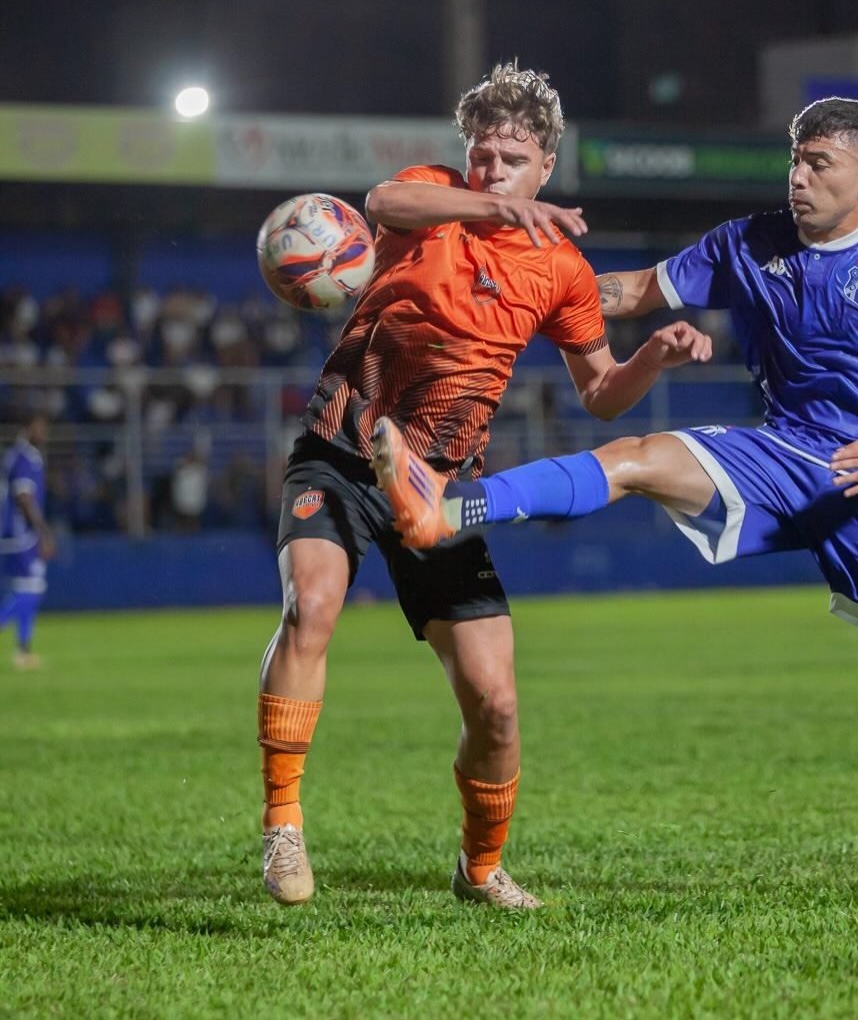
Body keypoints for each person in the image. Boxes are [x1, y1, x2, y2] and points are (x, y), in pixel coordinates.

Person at [373, 97, 858, 900]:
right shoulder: (748, 241)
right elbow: (629, 292)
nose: (797, 178)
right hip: (785, 452)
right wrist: (540, 285)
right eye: (794, 160)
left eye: (818, 164)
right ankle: (448, 508)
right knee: (634, 459)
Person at [258, 61, 711, 909]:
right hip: (341, 449)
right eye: (481, 153)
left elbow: (600, 393)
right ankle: (283, 828)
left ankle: (479, 869)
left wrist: (655, 353)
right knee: (309, 606)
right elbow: (383, 202)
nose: (492, 169)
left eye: (512, 159)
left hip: (440, 486)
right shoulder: (434, 199)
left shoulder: (562, 270)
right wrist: (493, 203)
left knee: (497, 705)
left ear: (547, 165)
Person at [0, 411, 55, 670]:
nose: (43, 433)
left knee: (27, 588)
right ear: (27, 428)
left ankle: (23, 652)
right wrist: (43, 532)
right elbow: (24, 498)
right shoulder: (24, 459)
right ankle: (22, 648)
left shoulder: (20, 456)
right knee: (31, 588)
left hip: (14, 533)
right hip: (21, 534)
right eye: (39, 428)